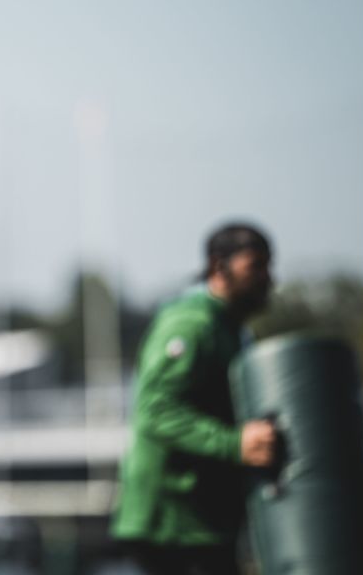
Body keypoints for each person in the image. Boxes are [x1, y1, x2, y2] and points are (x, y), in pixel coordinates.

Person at [110, 223, 280, 575]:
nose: (267, 279)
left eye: (268, 267)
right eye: (256, 266)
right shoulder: (191, 324)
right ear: (220, 267)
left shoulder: (233, 329)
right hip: (172, 524)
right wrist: (236, 445)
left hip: (206, 520)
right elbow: (156, 410)